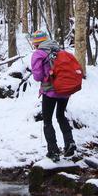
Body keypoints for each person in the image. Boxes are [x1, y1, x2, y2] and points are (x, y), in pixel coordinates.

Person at [30, 30, 76, 161]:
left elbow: (37, 76)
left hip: (50, 91)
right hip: (65, 90)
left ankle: (53, 151)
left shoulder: (38, 54)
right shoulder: (60, 51)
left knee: (47, 120)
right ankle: (70, 144)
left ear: (36, 43)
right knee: (61, 116)